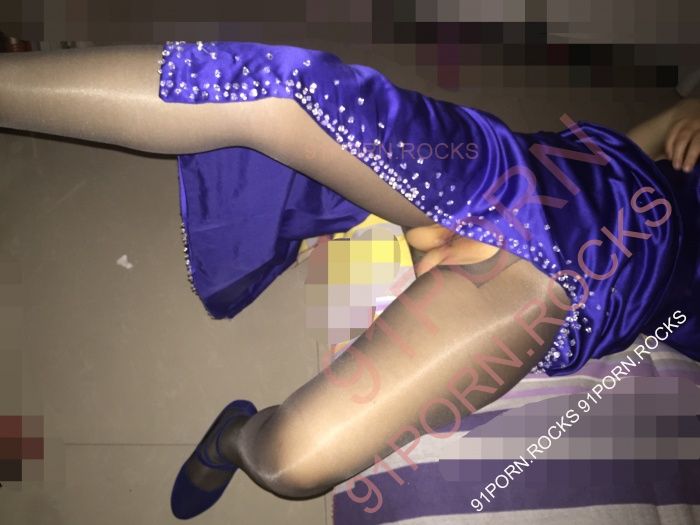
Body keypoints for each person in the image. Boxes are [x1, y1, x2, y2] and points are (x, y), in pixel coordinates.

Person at [1, 40, 698, 520]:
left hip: (563, 295)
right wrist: (682, 115)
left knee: (293, 463)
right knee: (275, 93)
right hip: (540, 180)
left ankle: (230, 437)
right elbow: (633, 147)